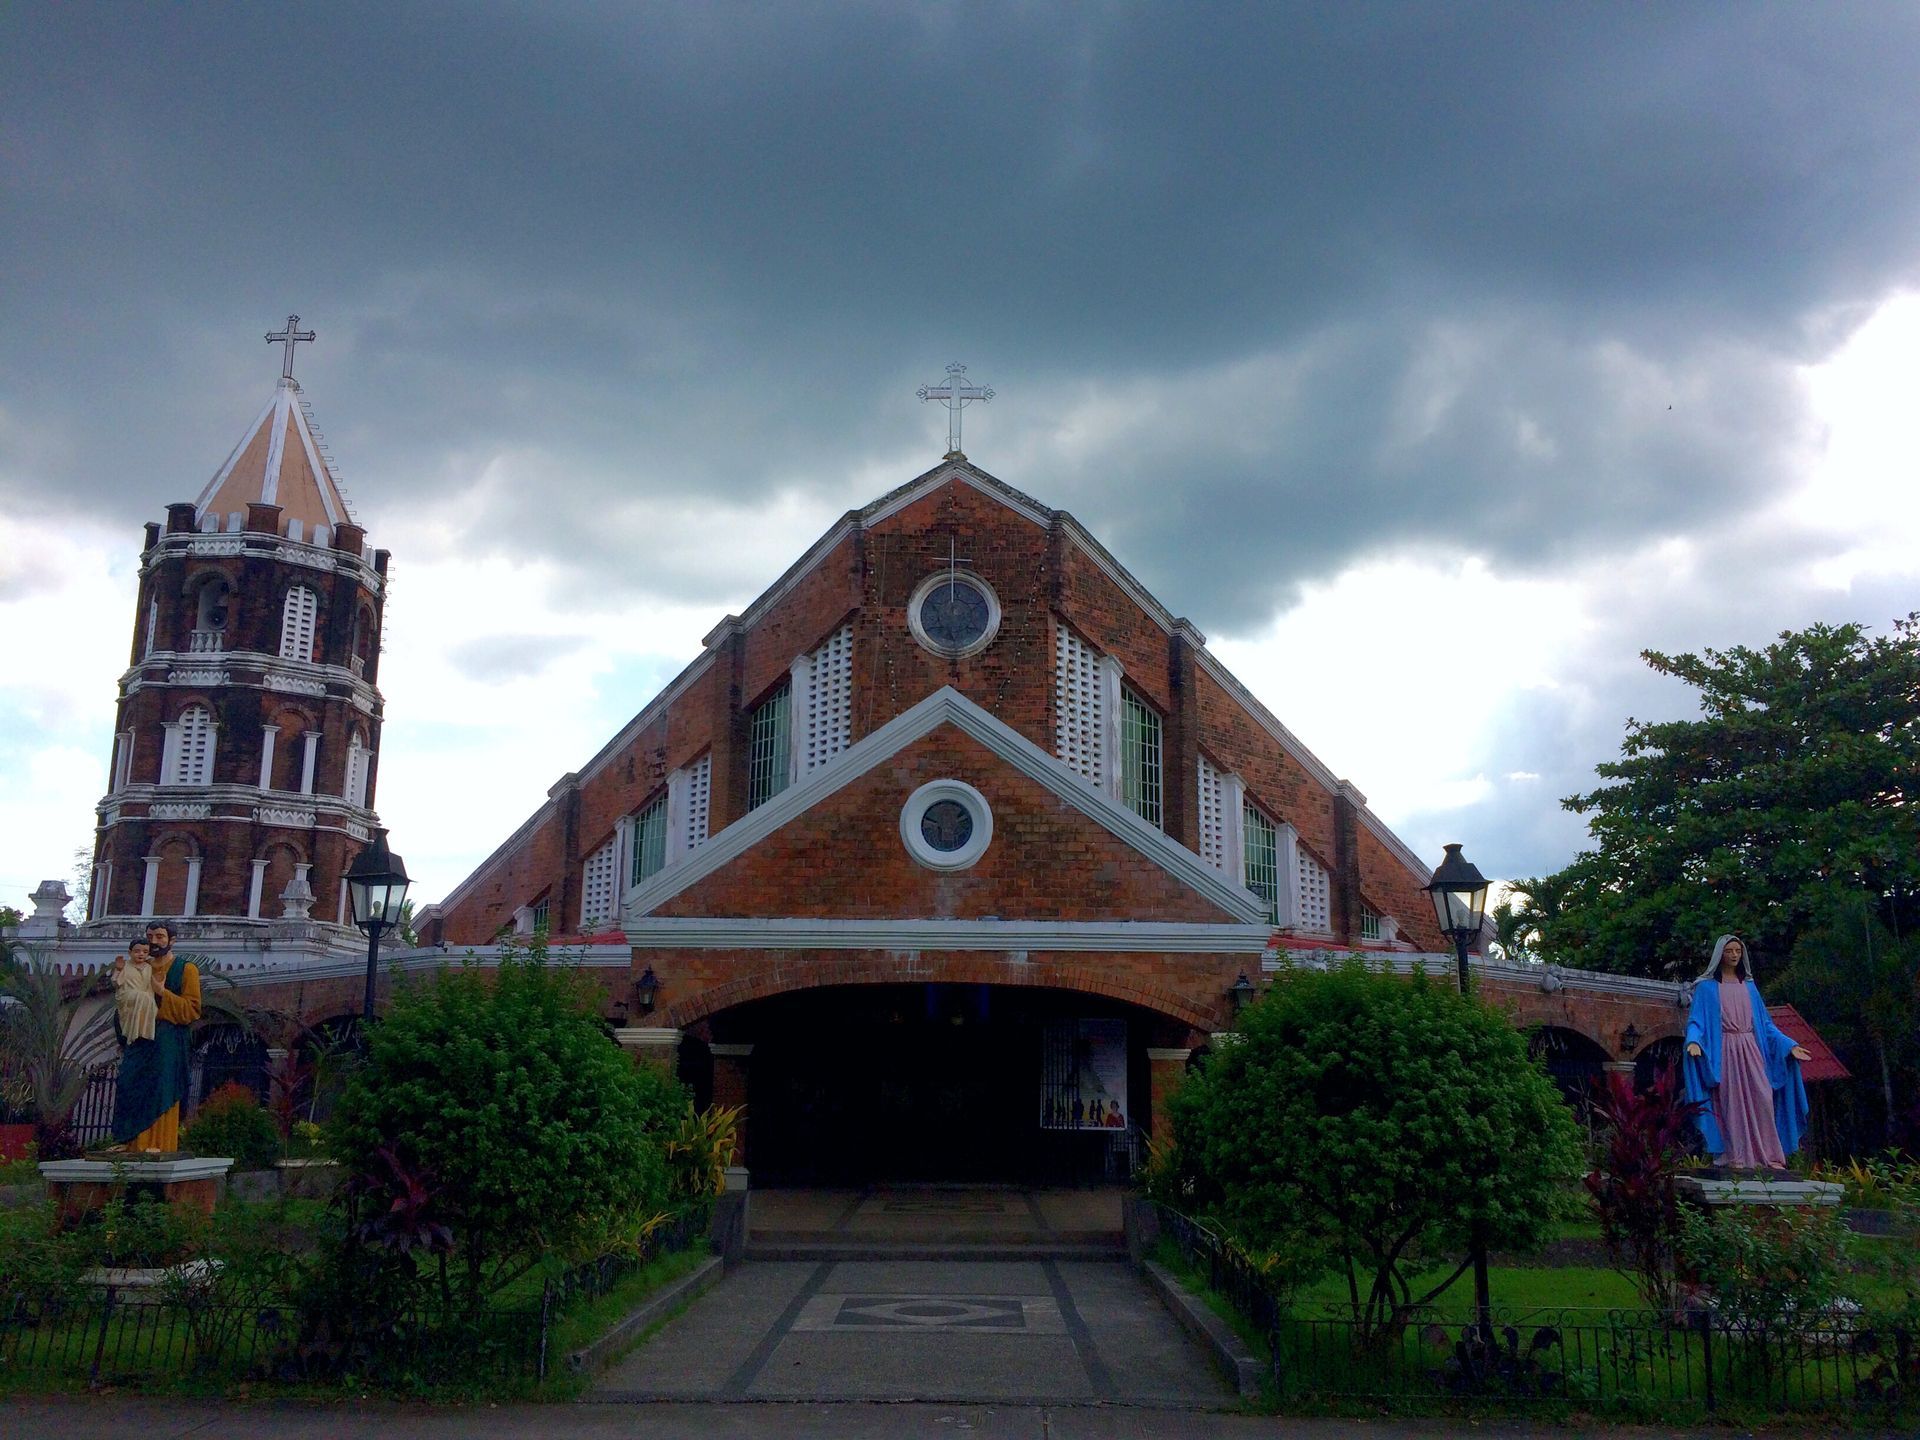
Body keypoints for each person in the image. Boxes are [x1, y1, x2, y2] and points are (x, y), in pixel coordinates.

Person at [1682, 935, 1810, 1169]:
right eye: (1729, 951)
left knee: (1764, 1097)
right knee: (1731, 1103)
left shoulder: (1749, 987)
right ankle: (1736, 1155)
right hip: (1726, 1051)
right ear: (1719, 954)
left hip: (1751, 1050)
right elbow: (1696, 1021)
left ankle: (1769, 1155)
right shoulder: (1707, 988)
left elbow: (1766, 1026)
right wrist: (1693, 1041)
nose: (1734, 955)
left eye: (1738, 951)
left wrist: (1789, 1045)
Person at [108, 920, 202, 1152]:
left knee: (161, 1088)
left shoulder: (185, 969)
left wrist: (162, 992)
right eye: (150, 936)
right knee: (129, 1083)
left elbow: (191, 1010)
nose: (154, 941)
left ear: (172, 940)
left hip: (167, 1040)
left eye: (160, 936)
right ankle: (129, 1142)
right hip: (139, 1037)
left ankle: (158, 1143)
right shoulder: (139, 966)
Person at [111, 940, 157, 1044]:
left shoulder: (149, 968)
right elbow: (115, 983)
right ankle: (132, 1034)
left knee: (147, 999)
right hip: (128, 997)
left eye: (145, 952)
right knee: (141, 996)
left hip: (145, 1000)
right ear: (130, 952)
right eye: (137, 951)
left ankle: (143, 1032)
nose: (141, 954)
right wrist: (118, 970)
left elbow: (150, 987)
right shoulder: (125, 966)